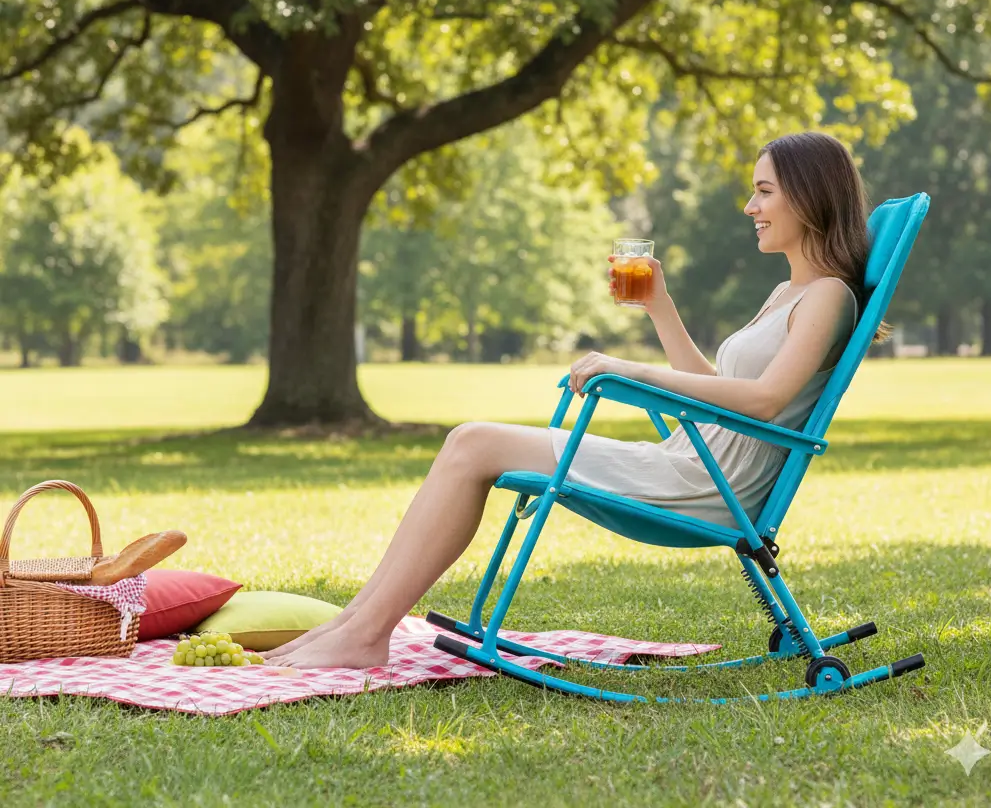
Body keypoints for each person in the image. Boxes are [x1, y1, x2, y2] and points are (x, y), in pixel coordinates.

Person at [269, 131, 874, 668]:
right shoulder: (788, 293)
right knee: (469, 441)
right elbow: (720, 387)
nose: (751, 207)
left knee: (474, 441)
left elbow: (766, 401)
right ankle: (353, 624)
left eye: (764, 192)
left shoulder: (826, 297)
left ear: (807, 194)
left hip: (711, 488)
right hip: (692, 463)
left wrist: (631, 369)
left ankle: (366, 631)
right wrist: (658, 305)